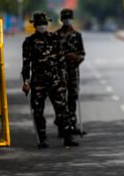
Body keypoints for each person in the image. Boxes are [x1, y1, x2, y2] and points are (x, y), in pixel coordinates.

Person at [21, 11, 78, 148]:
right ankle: (42, 139)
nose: (42, 26)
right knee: (38, 112)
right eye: (39, 24)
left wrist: (64, 79)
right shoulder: (29, 42)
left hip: (56, 82)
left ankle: (68, 137)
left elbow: (61, 61)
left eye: (44, 23)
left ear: (47, 24)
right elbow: (26, 64)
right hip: (38, 83)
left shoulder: (55, 38)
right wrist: (26, 82)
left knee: (62, 110)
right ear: (35, 25)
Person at [56, 8, 86, 136]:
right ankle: (62, 126)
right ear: (62, 19)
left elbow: (82, 54)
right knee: (61, 100)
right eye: (65, 18)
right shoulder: (56, 35)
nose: (67, 20)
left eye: (69, 18)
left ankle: (73, 125)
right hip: (60, 73)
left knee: (72, 98)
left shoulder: (77, 35)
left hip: (73, 72)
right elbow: (52, 55)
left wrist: (76, 58)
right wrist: (64, 56)